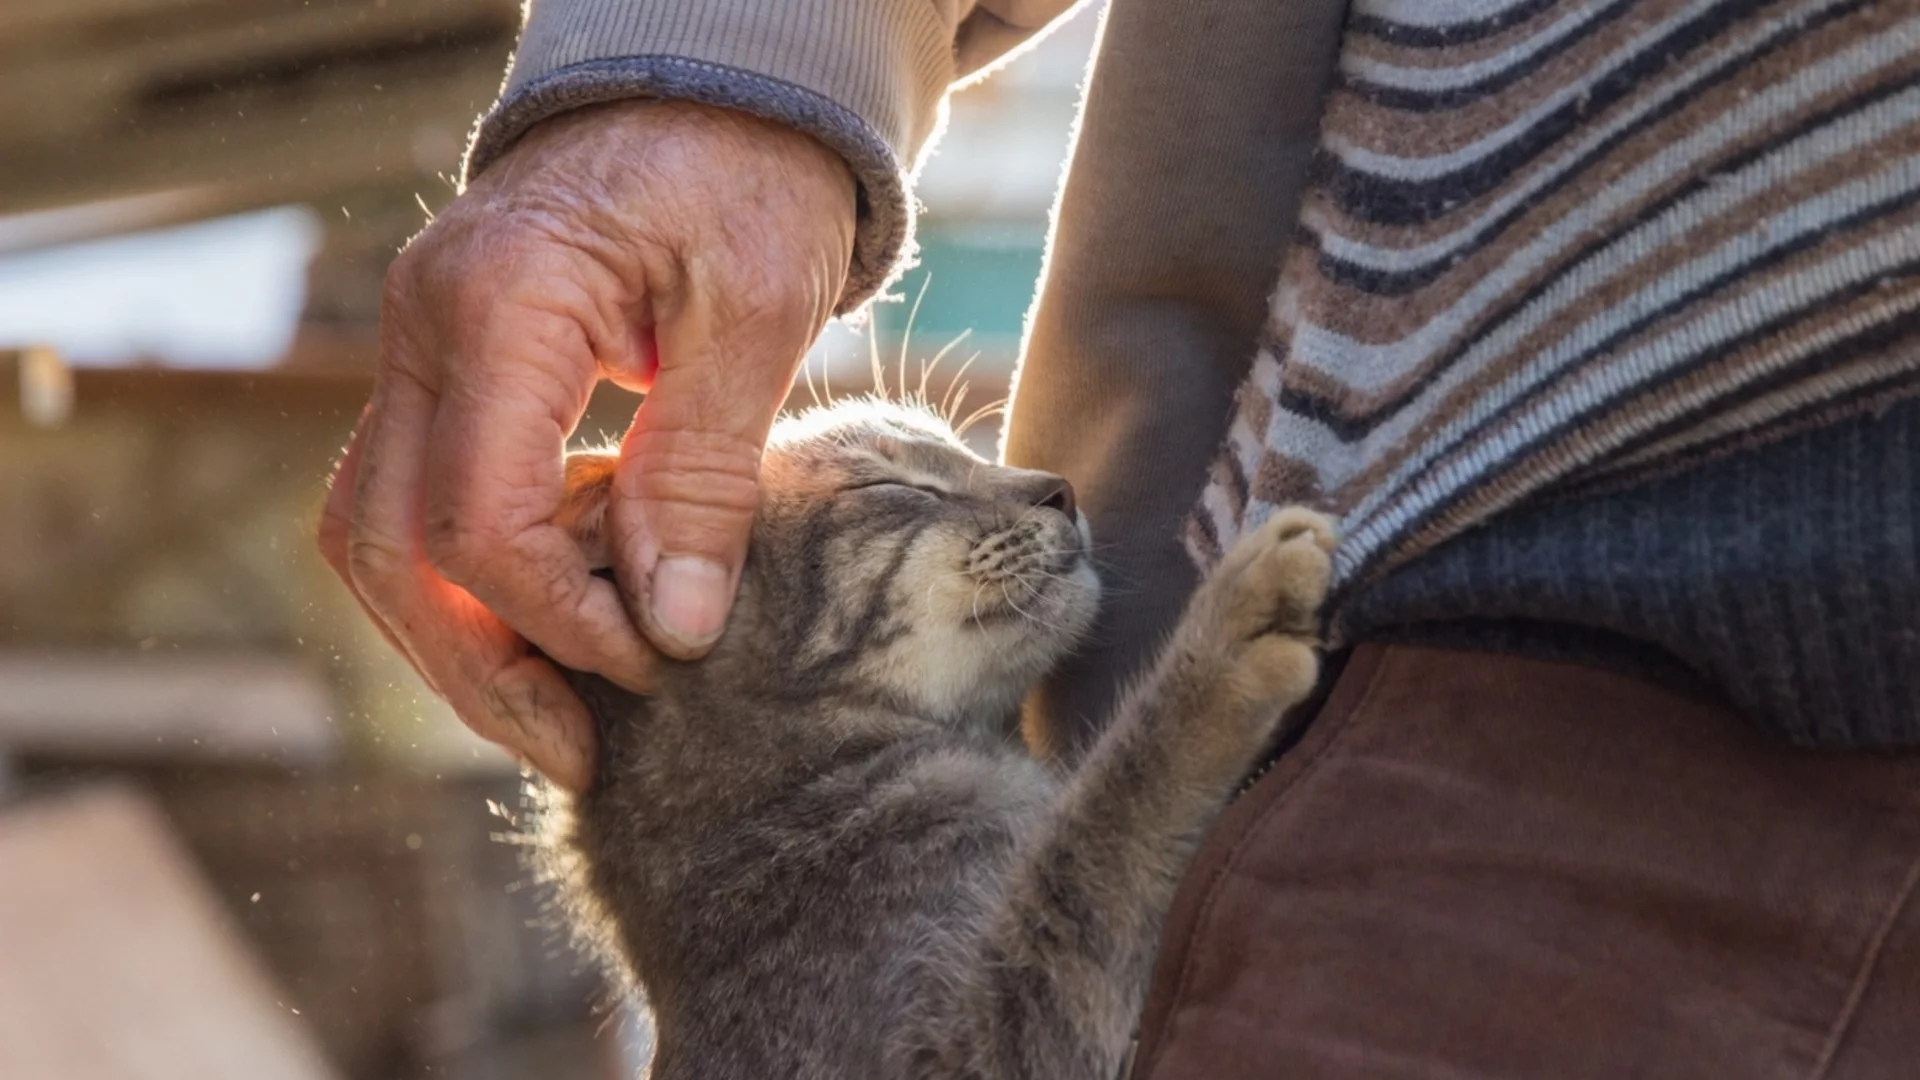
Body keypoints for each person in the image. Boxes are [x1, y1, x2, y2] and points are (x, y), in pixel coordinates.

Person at [319, 1, 1920, 1075]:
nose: (1031, 496)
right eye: (907, 493)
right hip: (1505, 639)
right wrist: (719, 66)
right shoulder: (788, 882)